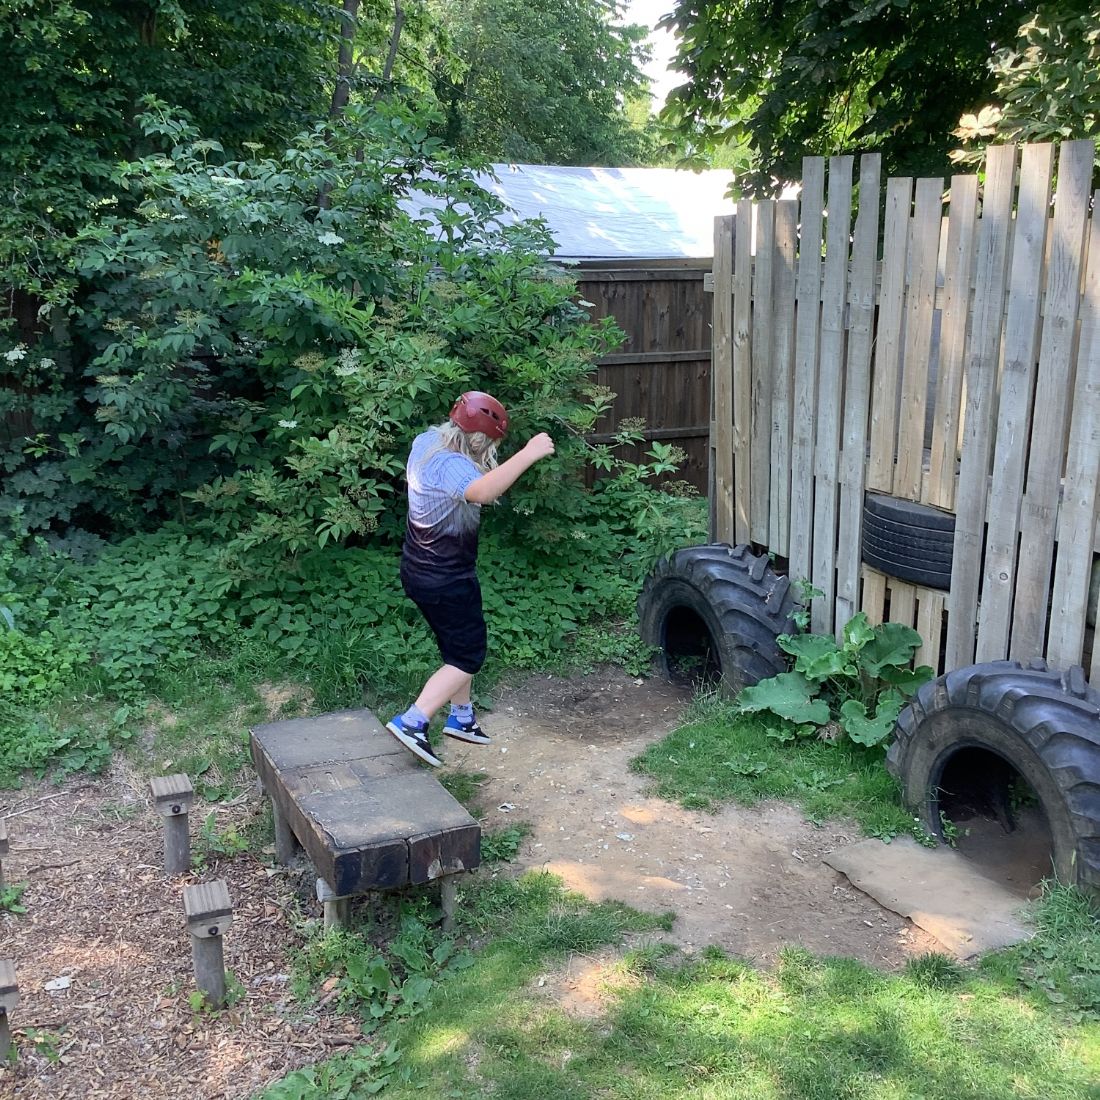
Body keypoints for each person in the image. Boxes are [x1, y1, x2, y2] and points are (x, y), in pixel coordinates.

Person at [386, 391, 555, 766]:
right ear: (479, 439)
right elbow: (483, 491)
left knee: (457, 645)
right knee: (468, 655)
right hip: (444, 578)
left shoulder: (427, 441)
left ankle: (462, 718)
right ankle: (413, 721)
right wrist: (529, 453)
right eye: (491, 445)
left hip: (420, 569)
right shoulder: (452, 466)